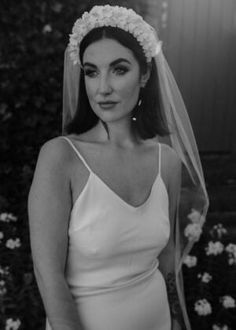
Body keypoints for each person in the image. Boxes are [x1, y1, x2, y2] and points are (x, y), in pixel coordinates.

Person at [28, 4, 209, 330]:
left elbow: (166, 259)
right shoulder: (61, 158)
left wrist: (176, 319)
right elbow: (48, 275)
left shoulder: (165, 161)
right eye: (92, 71)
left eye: (119, 69)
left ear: (145, 74)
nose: (103, 88)